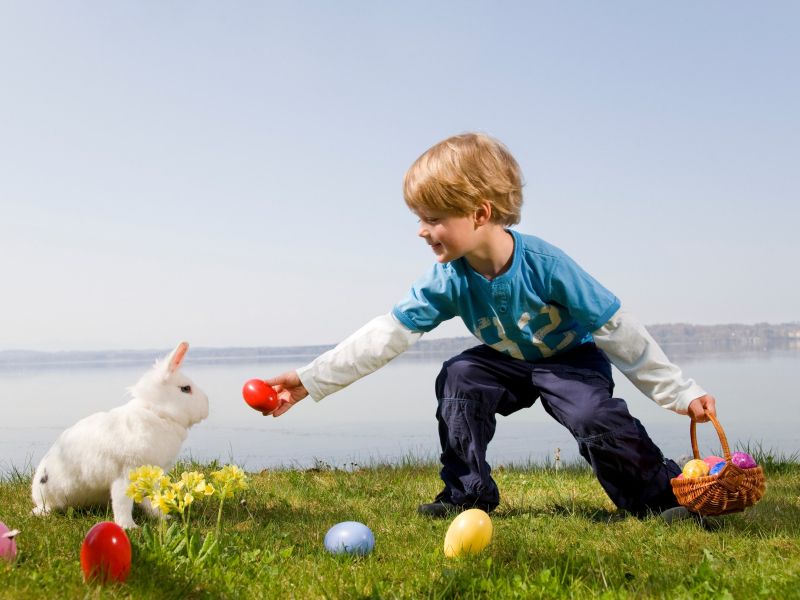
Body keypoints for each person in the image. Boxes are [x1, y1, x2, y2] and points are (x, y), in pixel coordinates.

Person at [265, 132, 716, 520]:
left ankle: (658, 496)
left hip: (570, 361)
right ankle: (466, 495)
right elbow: (387, 334)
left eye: (433, 218)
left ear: (479, 214)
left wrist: (680, 392)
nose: (422, 231)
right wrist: (309, 380)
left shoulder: (547, 265)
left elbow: (618, 329)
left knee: (591, 415)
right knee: (461, 375)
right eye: (419, 218)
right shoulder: (448, 278)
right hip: (505, 362)